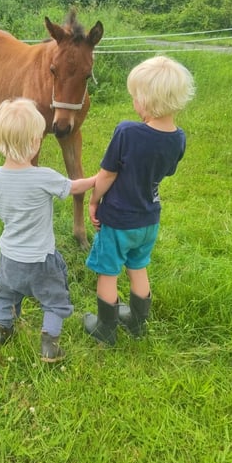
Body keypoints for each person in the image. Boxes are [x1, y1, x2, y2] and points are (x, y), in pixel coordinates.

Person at [83, 56, 195, 346]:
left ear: (145, 100)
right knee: (138, 266)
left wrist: (94, 200)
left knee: (108, 272)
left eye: (134, 97)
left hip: (119, 220)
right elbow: (166, 171)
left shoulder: (127, 132)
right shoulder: (178, 138)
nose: (133, 102)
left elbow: (107, 174)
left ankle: (105, 329)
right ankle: (136, 323)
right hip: (149, 220)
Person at [0, 98, 97, 362]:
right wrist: (98, 179)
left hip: (10, 257)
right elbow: (74, 187)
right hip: (41, 259)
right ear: (36, 141)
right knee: (54, 300)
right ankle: (49, 343)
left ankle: (4, 328)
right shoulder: (43, 176)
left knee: (6, 294)